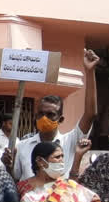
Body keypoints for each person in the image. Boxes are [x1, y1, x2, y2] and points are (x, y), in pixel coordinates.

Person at [5, 49, 99, 181]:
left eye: (50, 114)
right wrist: (8, 166)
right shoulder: (22, 146)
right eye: (41, 114)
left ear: (61, 119)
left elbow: (90, 114)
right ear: (35, 116)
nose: (45, 118)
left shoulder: (71, 141)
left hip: (60, 199)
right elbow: (16, 179)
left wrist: (90, 72)